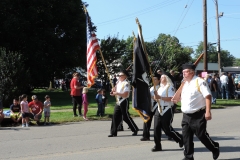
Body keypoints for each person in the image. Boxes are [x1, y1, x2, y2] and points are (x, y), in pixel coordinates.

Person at [172, 63, 220, 160]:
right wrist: (182, 85)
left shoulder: (200, 82)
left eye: (185, 72)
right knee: (186, 137)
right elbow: (175, 99)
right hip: (186, 115)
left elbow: (208, 96)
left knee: (201, 135)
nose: (183, 74)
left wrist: (208, 111)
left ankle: (214, 147)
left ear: (192, 72)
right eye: (183, 72)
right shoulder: (185, 84)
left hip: (198, 114)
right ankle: (188, 156)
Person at [151, 74, 183, 151]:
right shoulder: (160, 88)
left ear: (167, 78)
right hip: (159, 109)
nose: (161, 78)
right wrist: (156, 97)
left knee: (167, 129)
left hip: (167, 109)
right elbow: (157, 99)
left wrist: (160, 97)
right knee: (156, 129)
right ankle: (157, 145)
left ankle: (180, 138)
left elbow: (172, 98)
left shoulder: (170, 87)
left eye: (163, 77)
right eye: (161, 77)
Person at [108, 70, 139, 137]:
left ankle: (134, 129)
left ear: (125, 76)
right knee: (115, 116)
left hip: (124, 101)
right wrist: (112, 92)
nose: (119, 76)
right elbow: (115, 90)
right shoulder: (118, 82)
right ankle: (113, 132)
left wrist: (116, 93)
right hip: (118, 101)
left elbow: (125, 94)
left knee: (125, 116)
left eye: (121, 75)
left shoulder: (126, 83)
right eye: (118, 75)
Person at [140, 73, 160, 141]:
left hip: (157, 106)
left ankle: (169, 133)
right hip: (150, 106)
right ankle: (146, 136)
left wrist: (149, 96)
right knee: (146, 120)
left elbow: (158, 98)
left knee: (161, 123)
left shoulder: (160, 88)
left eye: (155, 79)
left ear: (159, 80)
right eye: (153, 79)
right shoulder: (151, 88)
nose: (154, 81)